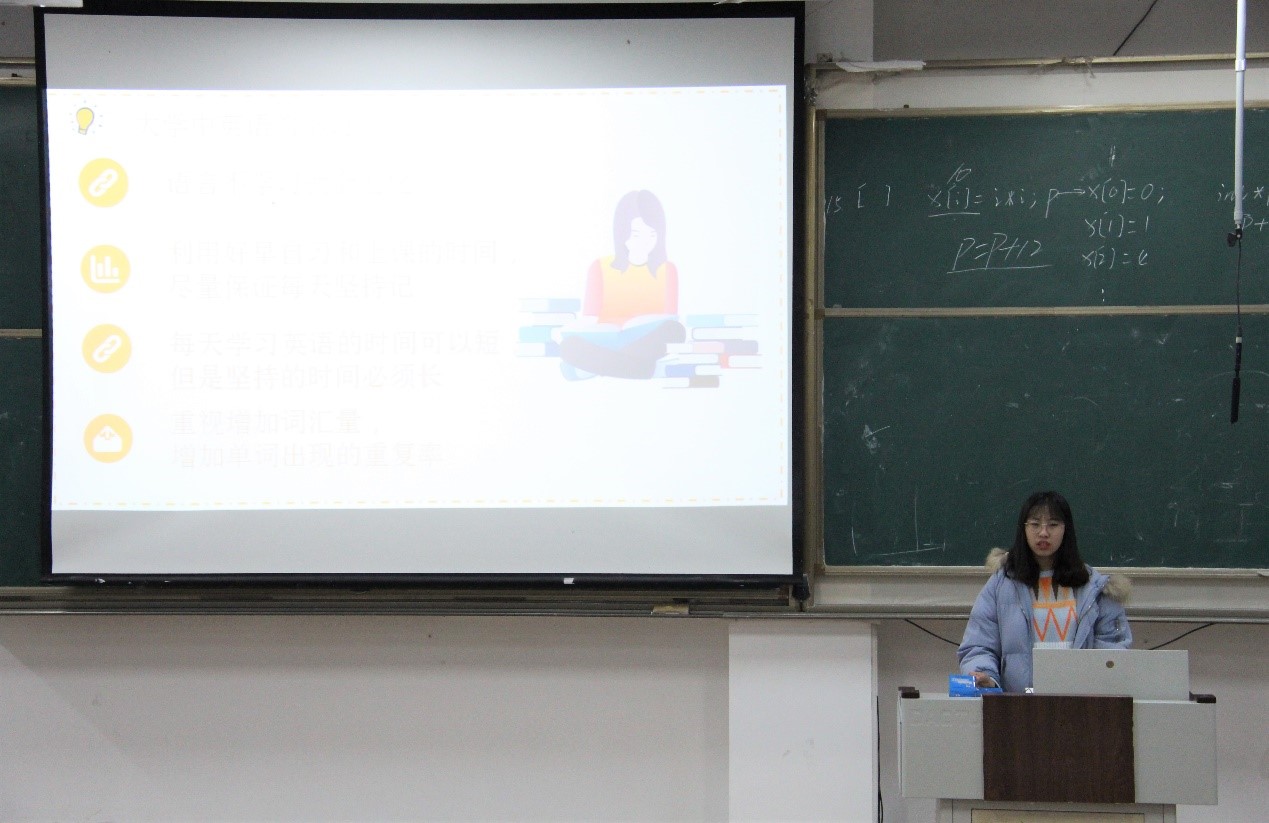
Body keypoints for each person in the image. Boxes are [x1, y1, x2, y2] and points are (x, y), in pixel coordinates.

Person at [957, 490, 1132, 693]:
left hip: (1081, 703)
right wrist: (984, 675)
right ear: (1023, 529)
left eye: (1053, 524)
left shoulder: (1095, 588)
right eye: (1035, 524)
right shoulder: (1001, 585)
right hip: (1018, 705)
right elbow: (978, 645)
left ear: (1066, 529)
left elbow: (1114, 651)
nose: (1043, 533)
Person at [558, 190, 685, 379]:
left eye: (652, 234)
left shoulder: (667, 269)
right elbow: (590, 319)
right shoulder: (599, 267)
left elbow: (670, 319)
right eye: (636, 235)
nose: (644, 242)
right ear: (622, 233)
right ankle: (648, 370)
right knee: (569, 346)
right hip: (607, 340)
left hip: (645, 339)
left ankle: (590, 368)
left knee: (675, 332)